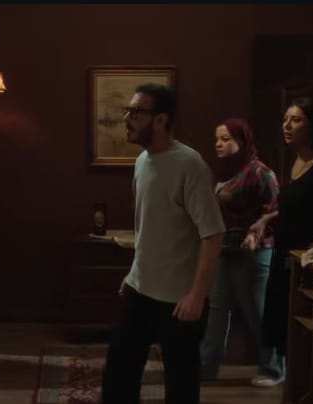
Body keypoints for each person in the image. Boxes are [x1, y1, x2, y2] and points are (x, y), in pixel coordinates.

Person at [101, 83, 225, 404]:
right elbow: (148, 229)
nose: (126, 119)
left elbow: (213, 235)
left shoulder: (190, 165)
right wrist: (133, 273)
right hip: (140, 288)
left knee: (181, 385)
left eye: (135, 112)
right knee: (118, 375)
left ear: (161, 119)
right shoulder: (142, 161)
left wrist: (197, 296)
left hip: (179, 300)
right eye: (127, 111)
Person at [252, 97, 313, 387]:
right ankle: (287, 380)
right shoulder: (293, 160)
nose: (287, 126)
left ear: (312, 126)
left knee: (301, 322)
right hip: (283, 252)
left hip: (308, 258)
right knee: (280, 317)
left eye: (296, 120)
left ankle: (303, 384)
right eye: (286, 119)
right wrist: (267, 218)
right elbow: (296, 206)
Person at [200, 119, 283, 382]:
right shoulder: (224, 172)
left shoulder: (260, 172)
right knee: (217, 310)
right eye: (217, 139)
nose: (219, 144)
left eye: (226, 139)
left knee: (257, 312)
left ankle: (274, 369)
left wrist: (256, 232)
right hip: (225, 249)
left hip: (253, 252)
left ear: (242, 141)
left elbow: (277, 210)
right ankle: (206, 367)